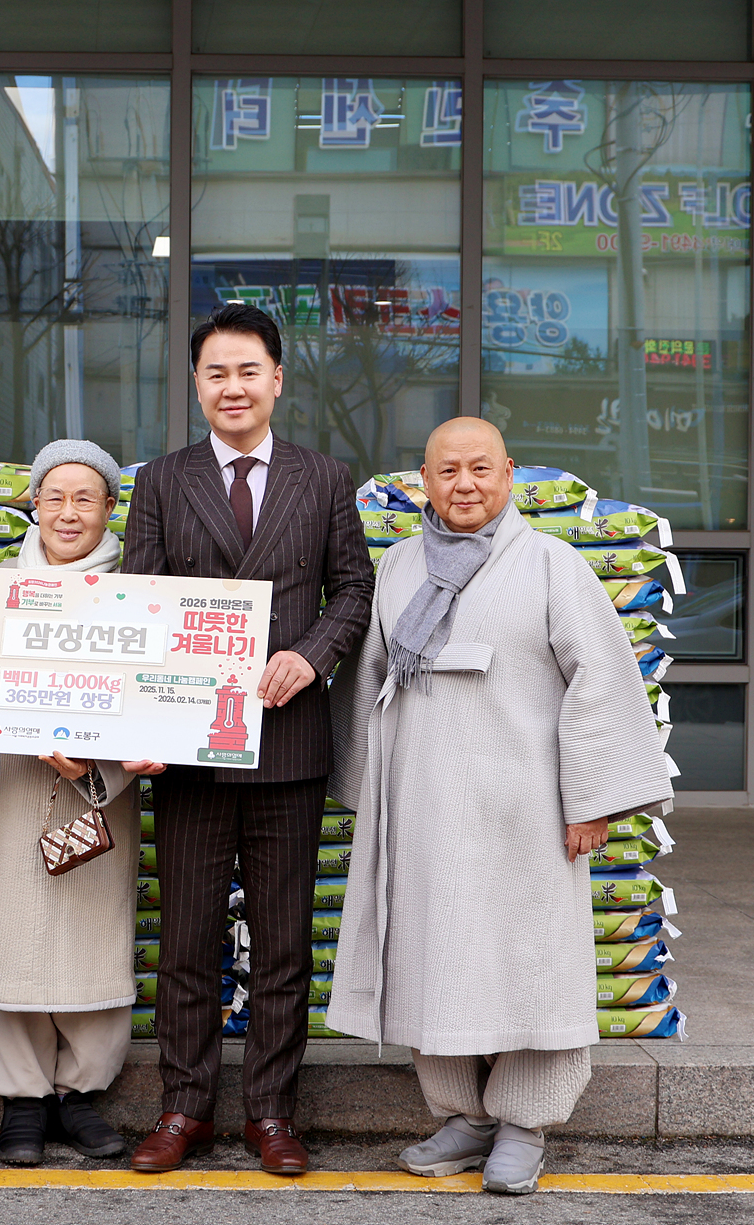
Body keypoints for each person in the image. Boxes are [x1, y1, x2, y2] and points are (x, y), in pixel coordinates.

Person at [325, 417, 675, 1195]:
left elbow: (602, 683)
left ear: (509, 473)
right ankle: (463, 1114)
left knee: (529, 961)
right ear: (425, 481)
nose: (465, 484)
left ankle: (524, 1122)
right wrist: (364, 793)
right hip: (420, 807)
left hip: (525, 808)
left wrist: (591, 800)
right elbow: (369, 679)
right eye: (447, 471)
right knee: (427, 953)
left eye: (481, 468)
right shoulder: (400, 565)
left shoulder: (553, 565)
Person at [121, 303, 374, 1175]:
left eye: (247, 370)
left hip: (287, 748)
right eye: (215, 373)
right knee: (186, 943)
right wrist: (141, 725)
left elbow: (354, 588)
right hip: (191, 753)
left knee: (283, 945)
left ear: (276, 378)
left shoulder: (325, 477)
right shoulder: (160, 480)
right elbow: (140, 606)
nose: (232, 386)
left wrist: (311, 655)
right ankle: (183, 1108)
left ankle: (272, 1114)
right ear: (197, 385)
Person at [0, 440, 168, 1166]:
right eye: (54, 496)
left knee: (92, 934)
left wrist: (97, 764)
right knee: (8, 931)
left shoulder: (138, 589)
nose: (68, 512)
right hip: (7, 783)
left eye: (85, 497)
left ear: (108, 508)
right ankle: (21, 1099)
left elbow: (152, 701)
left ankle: (81, 1093)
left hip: (97, 793)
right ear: (33, 503)